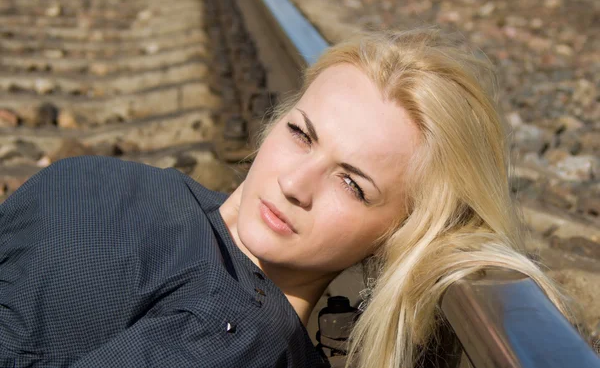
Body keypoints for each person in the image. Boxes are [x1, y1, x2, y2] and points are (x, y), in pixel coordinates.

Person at [0, 28, 578, 368]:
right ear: (275, 123)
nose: (295, 186)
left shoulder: (90, 178)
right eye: (302, 134)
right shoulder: (244, 335)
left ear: (399, 233)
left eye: (351, 184)